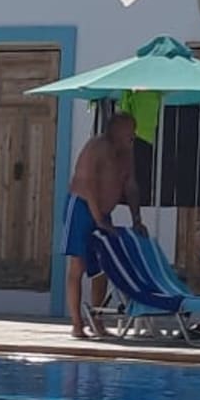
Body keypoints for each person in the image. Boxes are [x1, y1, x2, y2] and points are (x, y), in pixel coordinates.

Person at [65, 113, 143, 339]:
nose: (133, 135)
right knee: (78, 264)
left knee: (103, 265)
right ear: (116, 130)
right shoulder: (96, 147)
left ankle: (96, 320)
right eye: (130, 130)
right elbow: (87, 183)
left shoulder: (127, 152)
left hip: (103, 212)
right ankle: (77, 323)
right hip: (81, 207)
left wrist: (137, 219)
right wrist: (98, 218)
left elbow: (131, 185)